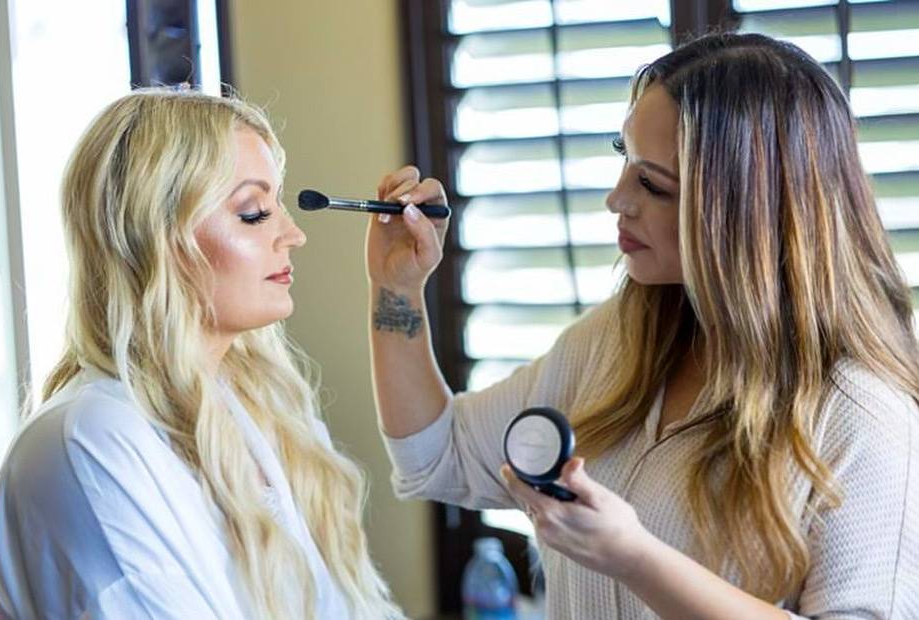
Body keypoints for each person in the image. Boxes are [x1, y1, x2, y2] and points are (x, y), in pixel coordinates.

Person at [366, 32, 919, 619]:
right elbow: (436, 454)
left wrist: (634, 557)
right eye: (623, 160)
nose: (616, 199)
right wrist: (396, 289)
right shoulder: (617, 342)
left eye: (652, 184)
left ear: (746, 212)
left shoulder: (860, 414)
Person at [0, 89, 402, 619]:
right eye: (254, 213)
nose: (293, 235)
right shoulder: (90, 438)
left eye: (278, 206)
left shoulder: (262, 412)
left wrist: (401, 289)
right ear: (153, 238)